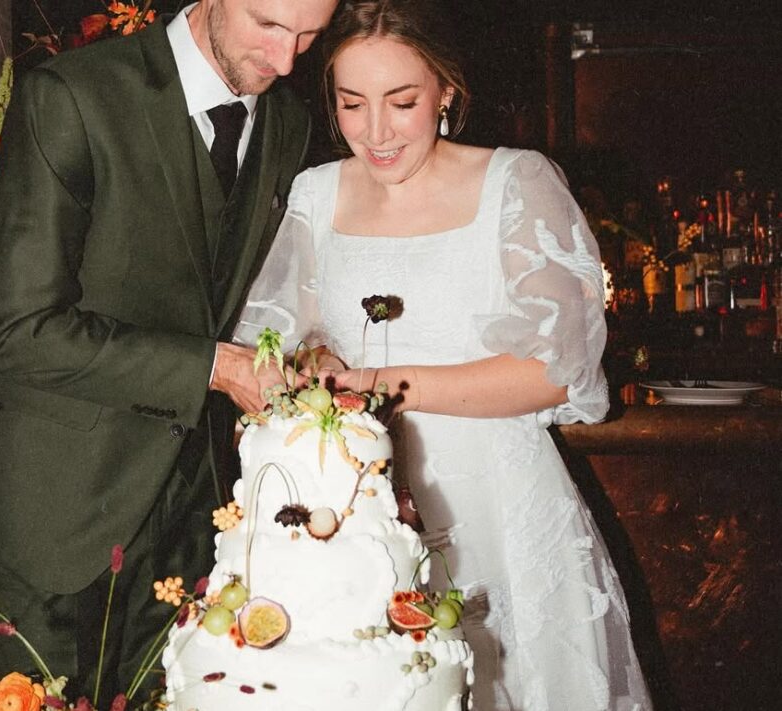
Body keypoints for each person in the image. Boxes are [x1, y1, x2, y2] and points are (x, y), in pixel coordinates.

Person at [234, 1, 654, 708]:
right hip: (356, 515)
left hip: (499, 506)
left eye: (402, 102)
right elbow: (270, 341)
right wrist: (302, 366)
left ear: (447, 92)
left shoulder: (516, 184)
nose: (375, 132)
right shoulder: (315, 193)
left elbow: (553, 370)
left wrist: (373, 382)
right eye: (352, 104)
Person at [0, 0, 338, 701]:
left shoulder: (287, 125)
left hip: (197, 526)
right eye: (270, 26)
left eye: (309, 37)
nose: (286, 61)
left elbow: (240, 297)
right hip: (58, 522)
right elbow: (17, 334)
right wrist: (215, 367)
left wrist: (305, 353)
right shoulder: (72, 96)